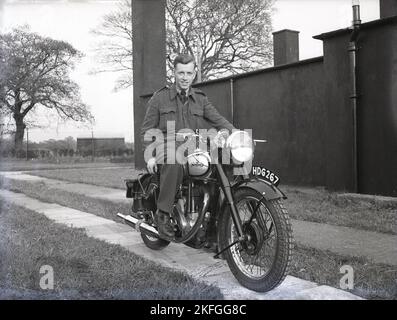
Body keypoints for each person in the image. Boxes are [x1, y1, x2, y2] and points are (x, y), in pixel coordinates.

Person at [140, 54, 235, 239]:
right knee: (175, 160)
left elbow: (219, 120)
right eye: (181, 72)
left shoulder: (200, 99)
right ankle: (163, 214)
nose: (184, 77)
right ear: (174, 73)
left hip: (193, 147)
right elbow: (147, 129)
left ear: (194, 74)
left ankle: (214, 222)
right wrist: (150, 155)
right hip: (166, 147)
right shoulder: (160, 98)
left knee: (219, 165)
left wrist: (236, 134)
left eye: (189, 73)